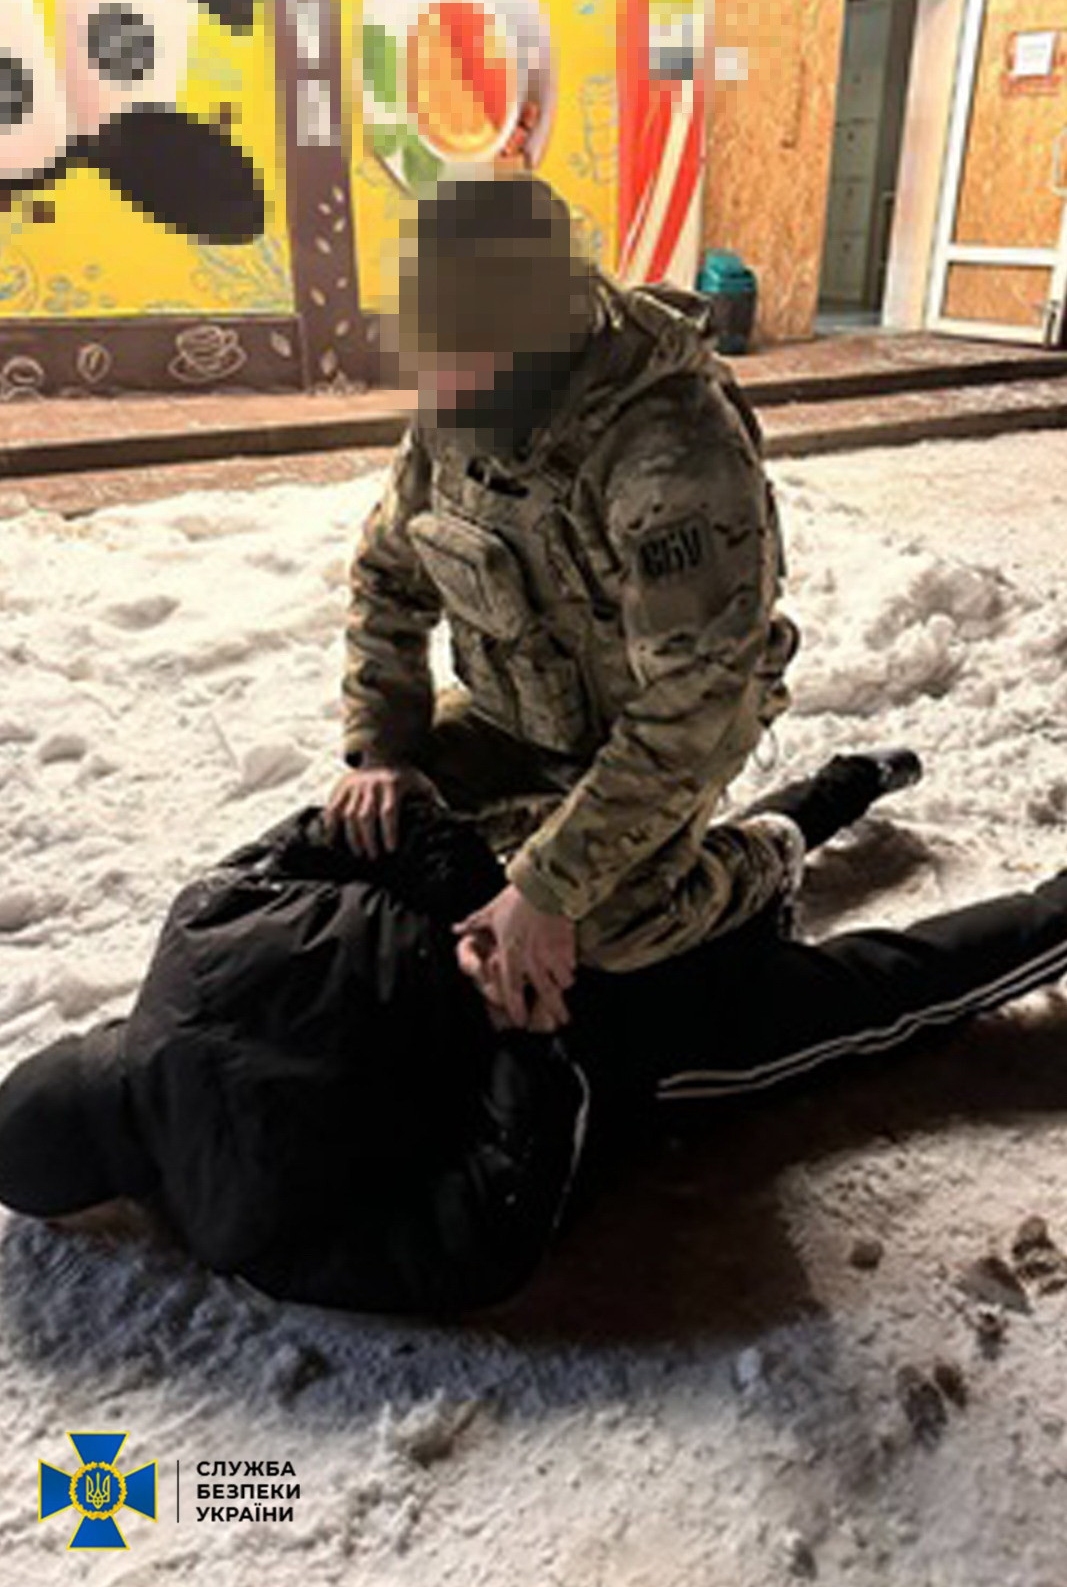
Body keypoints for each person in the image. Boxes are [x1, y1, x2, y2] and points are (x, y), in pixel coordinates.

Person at [4, 747, 1067, 1319]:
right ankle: (843, 784)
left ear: (105, 1188)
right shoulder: (197, 924)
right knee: (715, 886)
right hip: (554, 912)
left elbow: (475, 1238)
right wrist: (492, 917)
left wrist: (528, 1042)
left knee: (878, 994)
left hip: (606, 1045)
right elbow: (372, 822)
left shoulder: (242, 1227)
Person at [325, 169, 804, 1034]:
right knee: (365, 836)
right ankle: (545, 827)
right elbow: (389, 575)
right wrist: (384, 748)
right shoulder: (462, 396)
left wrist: (547, 888)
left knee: (602, 931)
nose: (437, 379)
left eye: (465, 346)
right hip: (515, 712)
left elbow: (694, 702)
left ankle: (762, 859)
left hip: (665, 731)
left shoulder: (670, 451)